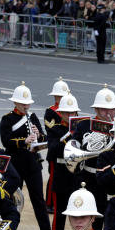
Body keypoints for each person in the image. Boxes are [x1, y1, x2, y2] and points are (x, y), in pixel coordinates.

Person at [0, 83, 51, 230]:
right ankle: (9, 228)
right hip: (15, 163)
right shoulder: (7, 119)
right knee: (13, 197)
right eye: (23, 103)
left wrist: (38, 135)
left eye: (28, 103)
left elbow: (43, 137)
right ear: (15, 102)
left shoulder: (32, 117)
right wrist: (24, 141)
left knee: (38, 199)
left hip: (33, 163)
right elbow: (6, 141)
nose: (26, 106)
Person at [70, 86, 115, 230]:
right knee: (91, 220)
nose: (108, 113)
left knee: (111, 220)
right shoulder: (84, 125)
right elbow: (74, 148)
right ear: (96, 109)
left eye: (112, 109)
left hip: (112, 178)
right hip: (89, 178)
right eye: (104, 109)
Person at [47, 93, 81, 230]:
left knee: (80, 215)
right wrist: (68, 135)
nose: (69, 115)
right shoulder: (55, 130)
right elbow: (53, 152)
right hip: (61, 176)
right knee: (59, 216)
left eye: (72, 112)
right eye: (66, 112)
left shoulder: (81, 130)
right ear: (60, 113)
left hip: (77, 176)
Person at [44, 78, 72, 211]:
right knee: (54, 176)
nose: (61, 98)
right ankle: (49, 202)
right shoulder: (50, 111)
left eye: (63, 96)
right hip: (56, 147)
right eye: (59, 96)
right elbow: (51, 128)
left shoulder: (70, 108)